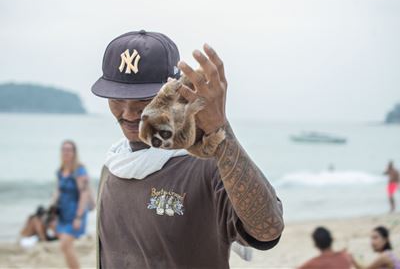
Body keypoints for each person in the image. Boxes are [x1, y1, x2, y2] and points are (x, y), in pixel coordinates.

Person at [91, 30, 284, 268]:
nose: (129, 113)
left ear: (171, 94)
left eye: (142, 100)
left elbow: (268, 230)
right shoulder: (113, 167)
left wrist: (220, 130)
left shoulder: (207, 164)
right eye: (117, 99)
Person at [52, 140, 90, 269]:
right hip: (62, 214)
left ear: (74, 153)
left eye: (69, 150)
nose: (66, 152)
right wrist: (53, 213)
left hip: (75, 214)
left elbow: (84, 194)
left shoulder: (79, 171)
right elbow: (57, 192)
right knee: (66, 248)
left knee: (64, 245)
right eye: (64, 150)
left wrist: (78, 217)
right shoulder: (61, 171)